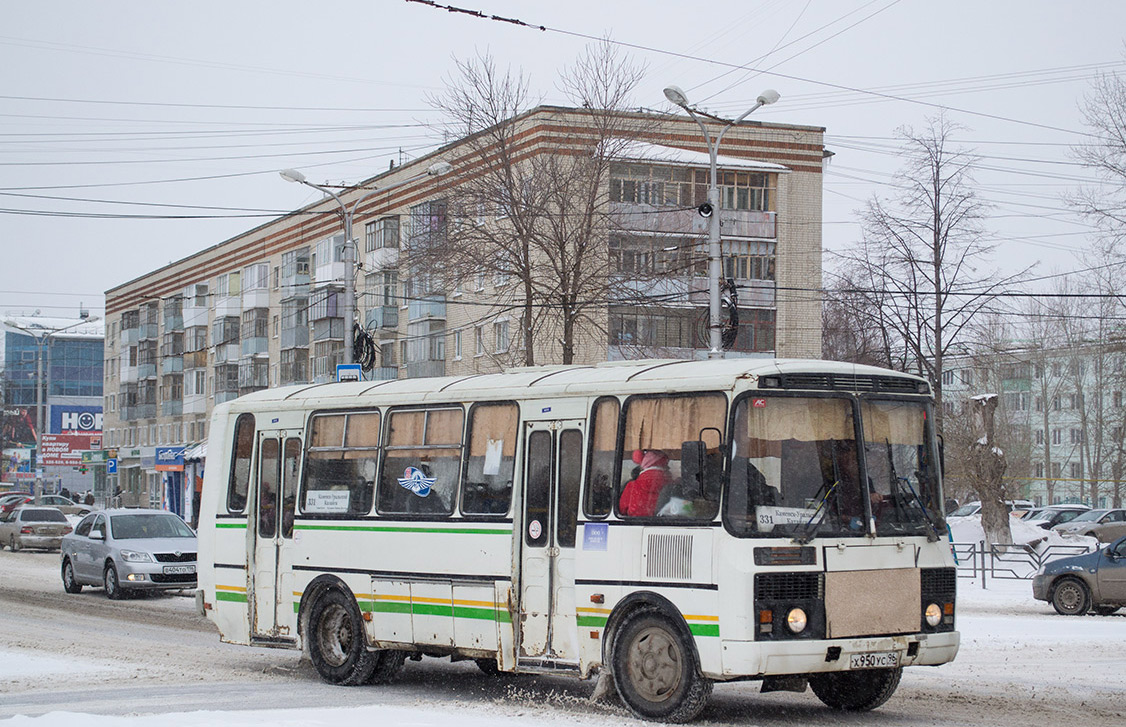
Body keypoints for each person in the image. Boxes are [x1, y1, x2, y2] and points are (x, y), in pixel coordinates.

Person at [619, 449, 671, 517]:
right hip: (665, 524)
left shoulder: (632, 486)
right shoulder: (671, 485)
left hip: (634, 524)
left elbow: (622, 510)